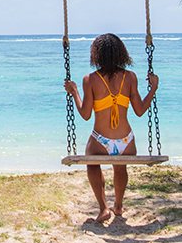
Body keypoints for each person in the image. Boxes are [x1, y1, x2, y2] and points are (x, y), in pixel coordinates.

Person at [64, 33, 158, 223]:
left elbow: (85, 114)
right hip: (126, 141)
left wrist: (74, 92)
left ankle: (103, 208)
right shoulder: (130, 77)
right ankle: (119, 205)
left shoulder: (90, 79)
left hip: (101, 140)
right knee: (120, 166)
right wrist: (153, 89)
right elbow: (140, 111)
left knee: (91, 163)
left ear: (96, 54)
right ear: (120, 53)